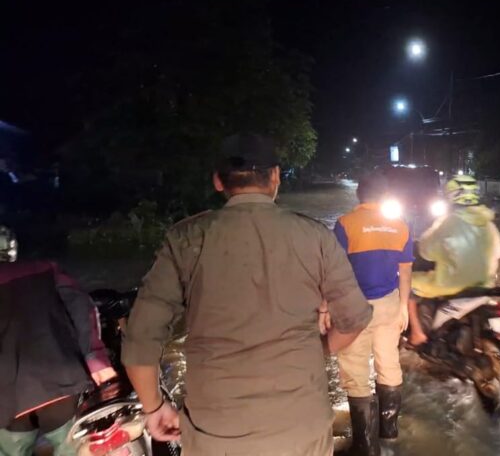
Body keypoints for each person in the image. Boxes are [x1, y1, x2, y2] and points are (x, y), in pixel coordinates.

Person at [122, 134, 373, 456]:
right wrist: (316, 349)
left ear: (217, 181)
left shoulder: (186, 238)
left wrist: (154, 407)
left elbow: (140, 339)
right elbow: (354, 318)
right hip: (301, 427)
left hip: (215, 432)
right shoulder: (315, 237)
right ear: (276, 177)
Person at [321, 173, 412, 455]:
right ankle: (389, 433)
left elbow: (333, 270)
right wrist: (404, 307)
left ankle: (365, 443)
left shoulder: (346, 224)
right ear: (384, 197)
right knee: (389, 363)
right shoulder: (401, 226)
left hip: (354, 308)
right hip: (389, 304)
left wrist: (324, 307)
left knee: (356, 370)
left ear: (359, 195)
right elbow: (405, 272)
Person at [0, 260, 116, 456]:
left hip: (7, 397)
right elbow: (82, 309)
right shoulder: (45, 268)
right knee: (71, 449)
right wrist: (95, 358)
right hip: (60, 381)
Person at [408, 175, 500, 346]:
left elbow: (426, 252)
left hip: (451, 285)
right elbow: (499, 253)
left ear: (451, 195)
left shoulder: (448, 222)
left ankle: (417, 334)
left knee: (406, 284)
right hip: (484, 285)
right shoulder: (488, 222)